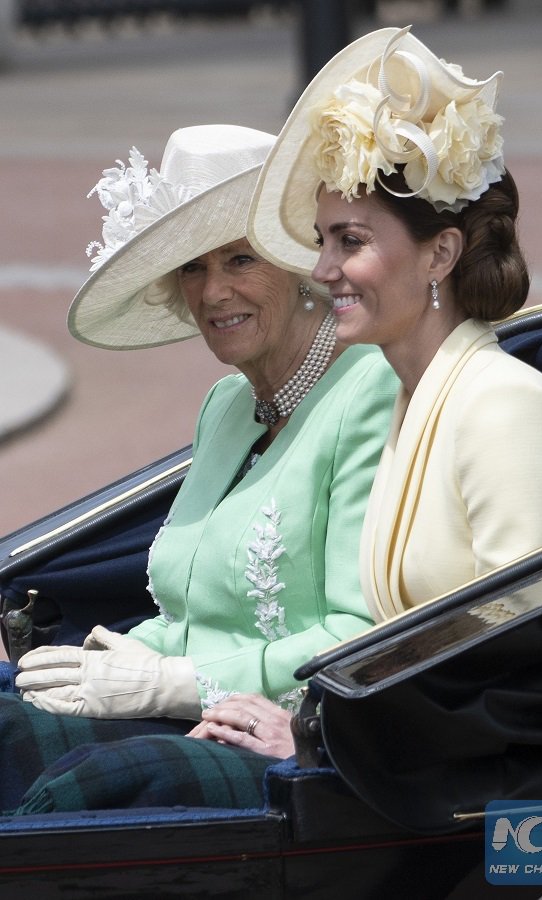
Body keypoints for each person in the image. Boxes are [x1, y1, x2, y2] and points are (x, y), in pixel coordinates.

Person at [0, 124, 399, 814]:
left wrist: (168, 682)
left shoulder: (373, 392)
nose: (213, 291)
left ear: (302, 263)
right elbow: (194, 612)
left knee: (84, 789)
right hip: (187, 714)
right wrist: (107, 658)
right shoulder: (226, 405)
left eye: (240, 260)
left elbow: (357, 634)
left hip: (295, 742)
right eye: (192, 267)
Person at [247, 26, 542, 620]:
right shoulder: (410, 397)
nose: (324, 269)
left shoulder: (505, 405)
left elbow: (517, 648)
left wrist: (310, 717)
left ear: (440, 254)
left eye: (350, 241)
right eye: (321, 241)